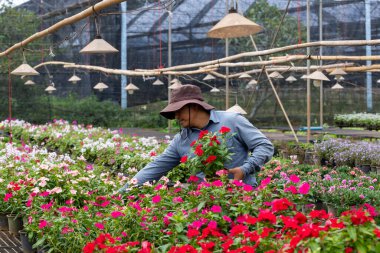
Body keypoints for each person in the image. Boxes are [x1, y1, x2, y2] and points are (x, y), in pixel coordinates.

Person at [119, 84, 273, 191]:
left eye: (178, 111)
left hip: (243, 196)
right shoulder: (181, 140)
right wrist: (119, 195)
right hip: (206, 201)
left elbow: (265, 146)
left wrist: (245, 169)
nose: (176, 116)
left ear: (193, 106)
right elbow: (154, 169)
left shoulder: (232, 120)